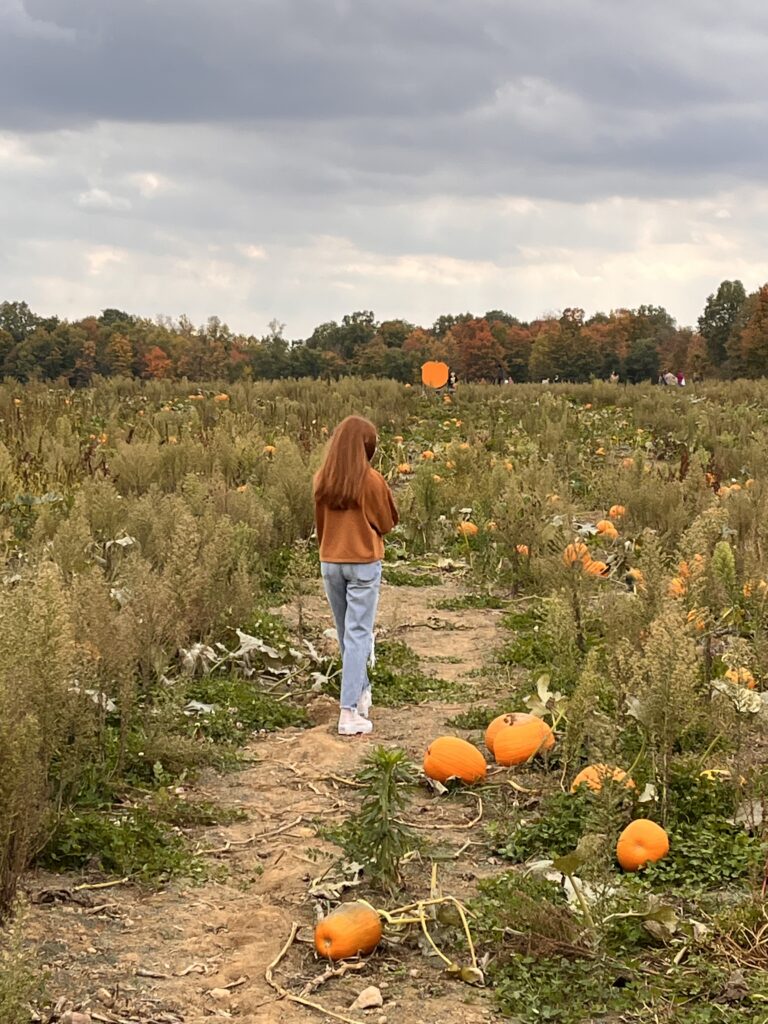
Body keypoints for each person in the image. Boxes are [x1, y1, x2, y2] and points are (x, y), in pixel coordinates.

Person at [313, 416, 399, 736]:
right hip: (363, 562)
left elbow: (320, 525)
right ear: (366, 447)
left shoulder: (322, 479)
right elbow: (388, 522)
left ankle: (361, 696)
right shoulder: (371, 480)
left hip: (330, 562)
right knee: (358, 634)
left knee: (347, 633)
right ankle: (348, 713)